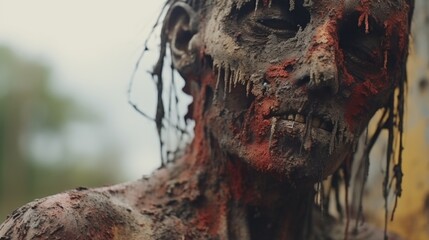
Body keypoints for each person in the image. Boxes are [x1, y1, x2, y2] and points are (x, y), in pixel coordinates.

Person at [0, 0, 414, 239]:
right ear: (184, 39)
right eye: (275, 22)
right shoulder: (78, 233)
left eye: (365, 47)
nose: (324, 69)